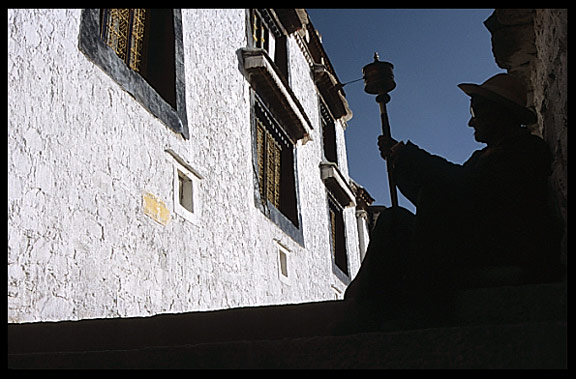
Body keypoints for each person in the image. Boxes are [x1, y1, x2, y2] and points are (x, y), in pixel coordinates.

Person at [338, 73, 563, 334]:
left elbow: (461, 189)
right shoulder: (482, 157)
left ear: (502, 114)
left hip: (501, 248)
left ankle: (424, 311)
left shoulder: (526, 151)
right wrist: (400, 165)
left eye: (478, 112)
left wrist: (408, 155)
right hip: (472, 243)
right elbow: (437, 196)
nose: (471, 121)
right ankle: (365, 310)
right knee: (395, 220)